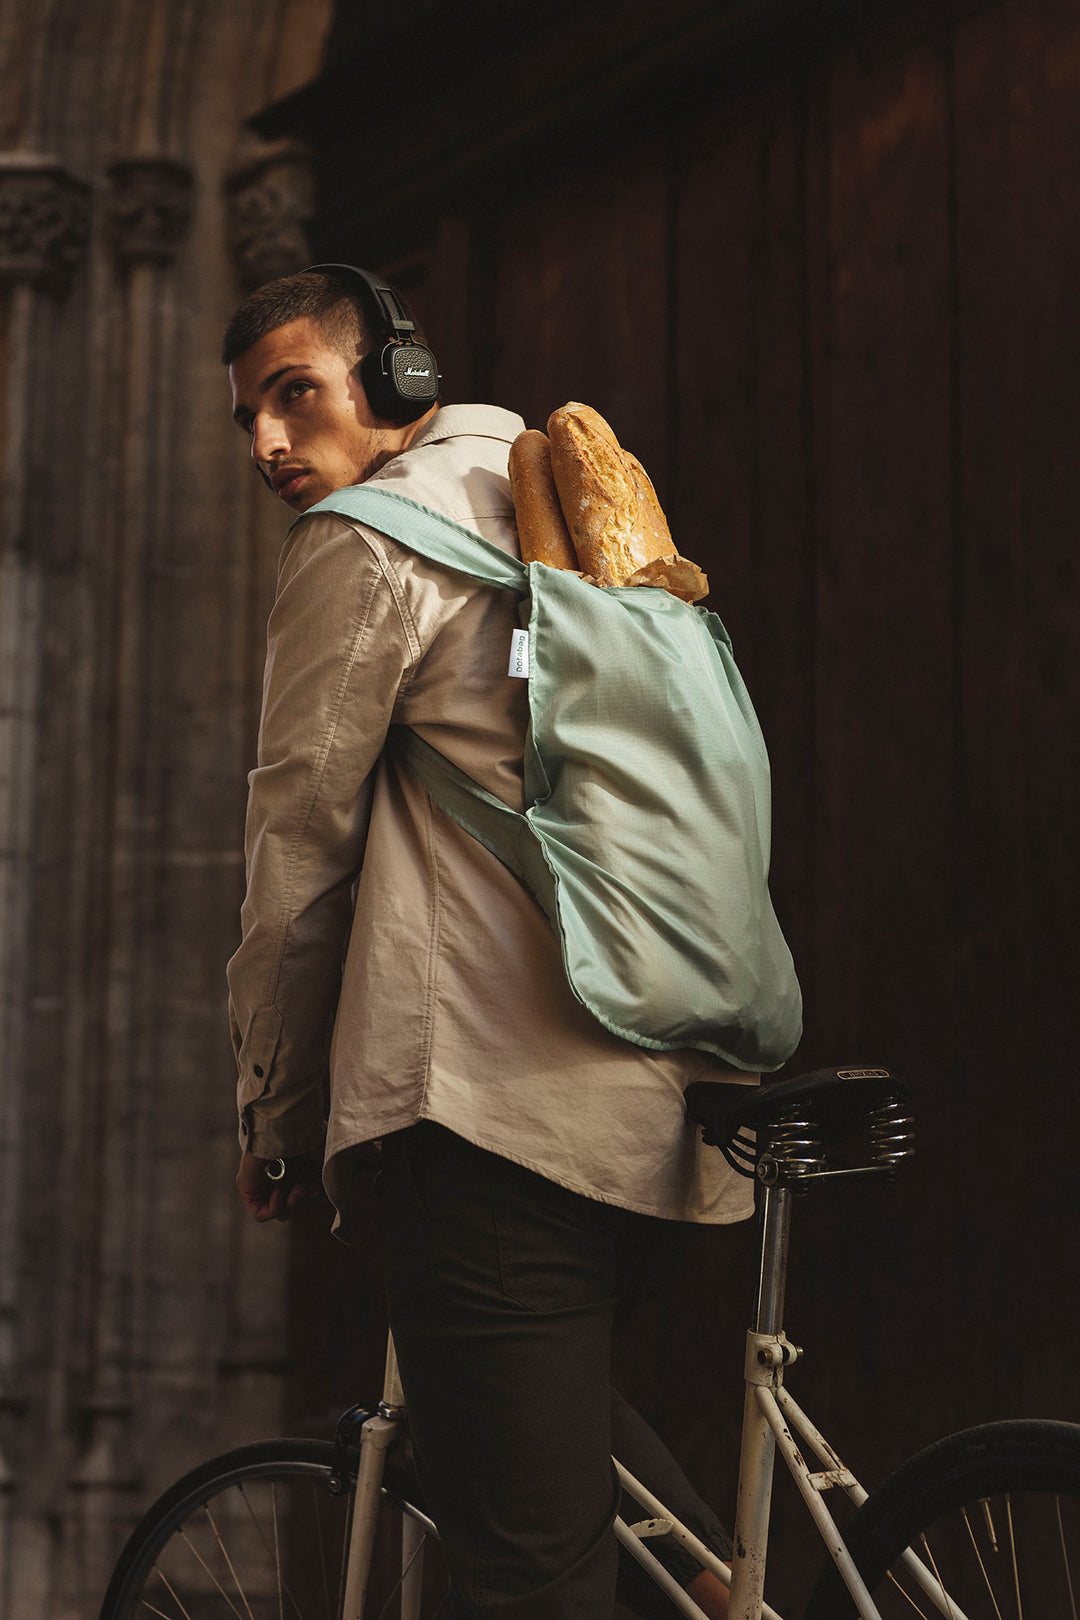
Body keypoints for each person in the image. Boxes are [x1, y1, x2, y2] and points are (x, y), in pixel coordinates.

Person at [223, 266, 756, 1618]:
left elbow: (299, 856)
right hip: (666, 1093)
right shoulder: (557, 502)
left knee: (528, 1575)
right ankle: (702, 1573)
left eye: (296, 395)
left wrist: (275, 1114)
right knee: (525, 1414)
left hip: (486, 1109)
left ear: (394, 379)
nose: (271, 444)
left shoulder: (363, 542)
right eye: (247, 419)